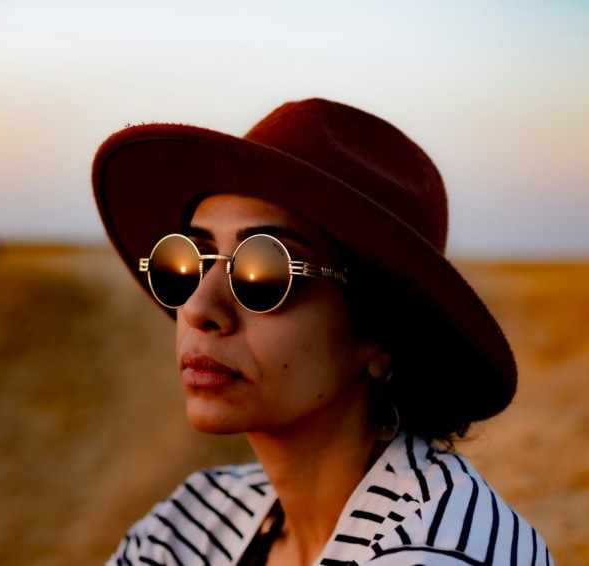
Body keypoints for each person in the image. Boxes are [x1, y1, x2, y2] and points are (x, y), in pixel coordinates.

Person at [92, 98, 554, 565]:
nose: (198, 307)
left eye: (263, 271)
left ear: (380, 330)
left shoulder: (434, 551)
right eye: (189, 262)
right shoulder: (189, 526)